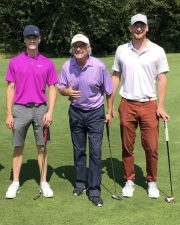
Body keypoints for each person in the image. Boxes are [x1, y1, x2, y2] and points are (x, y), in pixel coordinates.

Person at [111, 13, 170, 199]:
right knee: (127, 146)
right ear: (130, 28)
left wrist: (160, 106)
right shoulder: (121, 50)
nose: (138, 29)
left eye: (142, 26)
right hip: (127, 103)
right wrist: (110, 105)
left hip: (149, 104)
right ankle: (129, 180)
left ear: (147, 28)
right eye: (135, 26)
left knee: (151, 147)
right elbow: (115, 76)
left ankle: (151, 181)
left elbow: (162, 78)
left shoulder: (157, 50)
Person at [57, 34, 113, 207]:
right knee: (79, 150)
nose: (79, 49)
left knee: (95, 151)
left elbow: (109, 91)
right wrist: (67, 92)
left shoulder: (99, 66)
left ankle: (94, 190)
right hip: (76, 112)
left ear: (88, 48)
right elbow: (61, 87)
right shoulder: (67, 66)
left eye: (82, 46)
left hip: (96, 113)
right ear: (72, 48)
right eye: (76, 46)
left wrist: (110, 111)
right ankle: (80, 183)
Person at [5, 25, 58, 199]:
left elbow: (52, 88)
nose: (32, 40)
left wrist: (50, 111)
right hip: (20, 109)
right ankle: (15, 182)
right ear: (25, 40)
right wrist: (8, 113)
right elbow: (10, 87)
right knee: (18, 146)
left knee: (42, 147)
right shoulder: (15, 62)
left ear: (39, 39)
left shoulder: (48, 63)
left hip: (41, 109)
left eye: (35, 37)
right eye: (29, 38)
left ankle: (43, 182)